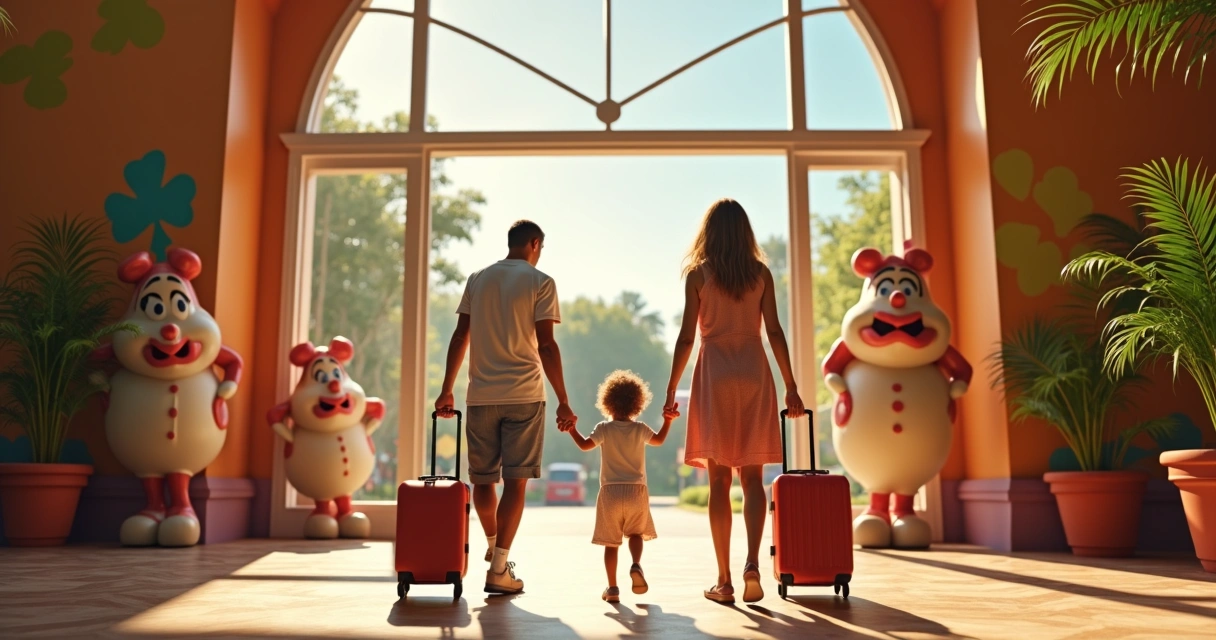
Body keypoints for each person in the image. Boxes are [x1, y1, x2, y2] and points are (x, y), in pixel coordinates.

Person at [663, 198, 806, 604]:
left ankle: (724, 580)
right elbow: (774, 331)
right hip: (755, 373)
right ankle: (752, 564)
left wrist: (673, 388)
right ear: (745, 232)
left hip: (715, 375)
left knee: (719, 481)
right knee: (753, 479)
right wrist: (791, 385)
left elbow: (687, 337)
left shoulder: (697, 275)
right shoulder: (760, 274)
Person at [434, 219, 577, 595]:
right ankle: (499, 565)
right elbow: (547, 345)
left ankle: (494, 548)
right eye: (541, 247)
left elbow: (460, 335)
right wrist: (563, 399)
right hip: (525, 396)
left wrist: (446, 390)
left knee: (483, 480)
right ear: (534, 243)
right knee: (515, 483)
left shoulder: (477, 279)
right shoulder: (541, 282)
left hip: (480, 394)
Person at [563, 370, 673, 603]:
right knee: (635, 533)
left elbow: (584, 446)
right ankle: (635, 564)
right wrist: (668, 421)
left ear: (608, 402)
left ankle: (612, 589)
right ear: (637, 403)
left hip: (610, 492)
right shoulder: (640, 428)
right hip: (636, 491)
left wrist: (572, 428)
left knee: (611, 544)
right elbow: (659, 440)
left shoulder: (604, 428)